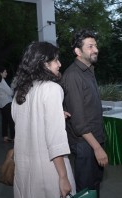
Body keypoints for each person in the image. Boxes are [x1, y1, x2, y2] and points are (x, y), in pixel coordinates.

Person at [11, 41, 76, 198]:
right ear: (44, 64)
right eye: (56, 60)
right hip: (48, 172)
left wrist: (55, 115)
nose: (59, 64)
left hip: (25, 171)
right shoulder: (52, 89)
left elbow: (26, 124)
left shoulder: (21, 91)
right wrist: (63, 177)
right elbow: (55, 141)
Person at [62, 29, 108, 197]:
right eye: (90, 46)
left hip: (94, 138)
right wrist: (97, 148)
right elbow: (79, 122)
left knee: (95, 184)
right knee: (86, 189)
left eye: (95, 45)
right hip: (85, 144)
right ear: (78, 51)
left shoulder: (89, 70)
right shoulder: (73, 76)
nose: (95, 49)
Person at [0, 67, 15, 142]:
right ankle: (13, 137)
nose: (6, 73)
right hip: (6, 103)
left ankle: (5, 136)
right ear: (1, 73)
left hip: (1, 103)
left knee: (4, 120)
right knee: (11, 121)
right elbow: (11, 93)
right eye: (5, 72)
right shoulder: (2, 82)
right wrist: (13, 86)